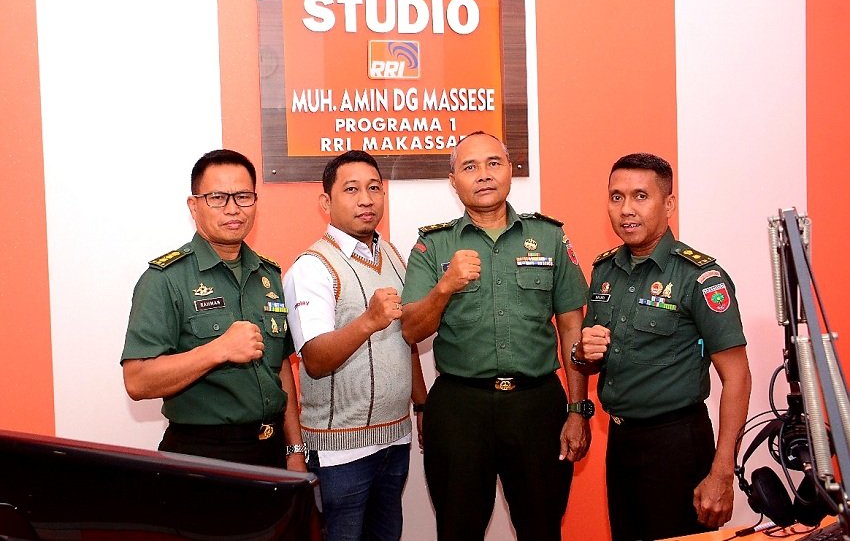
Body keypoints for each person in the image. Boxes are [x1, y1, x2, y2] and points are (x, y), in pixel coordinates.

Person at [400, 131, 592, 541]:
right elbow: (412, 329)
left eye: (493, 163)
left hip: (537, 407)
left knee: (542, 530)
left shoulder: (549, 237)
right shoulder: (434, 245)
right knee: (458, 530)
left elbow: (571, 326)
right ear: (453, 181)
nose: (483, 175)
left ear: (510, 170)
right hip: (460, 408)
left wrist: (578, 408)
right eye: (470, 167)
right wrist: (445, 286)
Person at [574, 152, 752, 541]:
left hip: (677, 444)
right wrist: (582, 354)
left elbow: (737, 377)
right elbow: (589, 359)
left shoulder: (700, 277)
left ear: (668, 204)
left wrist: (722, 472)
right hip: (620, 441)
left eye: (640, 196)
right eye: (616, 197)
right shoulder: (604, 271)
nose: (626, 209)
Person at [121, 149, 306, 472]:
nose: (233, 209)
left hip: (271, 451)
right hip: (202, 453)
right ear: (194, 206)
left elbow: (280, 368)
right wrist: (218, 350)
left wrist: (294, 450)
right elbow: (137, 381)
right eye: (218, 198)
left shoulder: (268, 275)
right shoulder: (165, 280)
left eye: (243, 196)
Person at [282, 150, 427, 541]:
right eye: (351, 189)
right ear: (326, 202)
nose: (366, 199)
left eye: (374, 188)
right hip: (340, 453)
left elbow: (407, 336)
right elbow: (314, 359)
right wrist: (368, 321)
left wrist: (422, 404)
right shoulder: (312, 267)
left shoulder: (393, 255)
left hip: (395, 441)